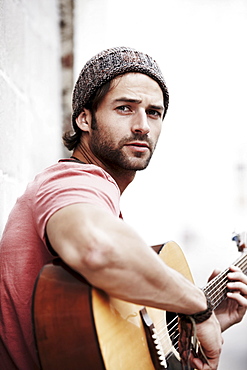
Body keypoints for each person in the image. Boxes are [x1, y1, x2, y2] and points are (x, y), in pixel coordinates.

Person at [0, 46, 247, 370]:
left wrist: (191, 331)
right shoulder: (74, 180)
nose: (143, 125)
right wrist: (197, 305)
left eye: (154, 112)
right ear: (84, 118)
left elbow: (101, 346)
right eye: (125, 108)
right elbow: (96, 248)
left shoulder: (99, 199)